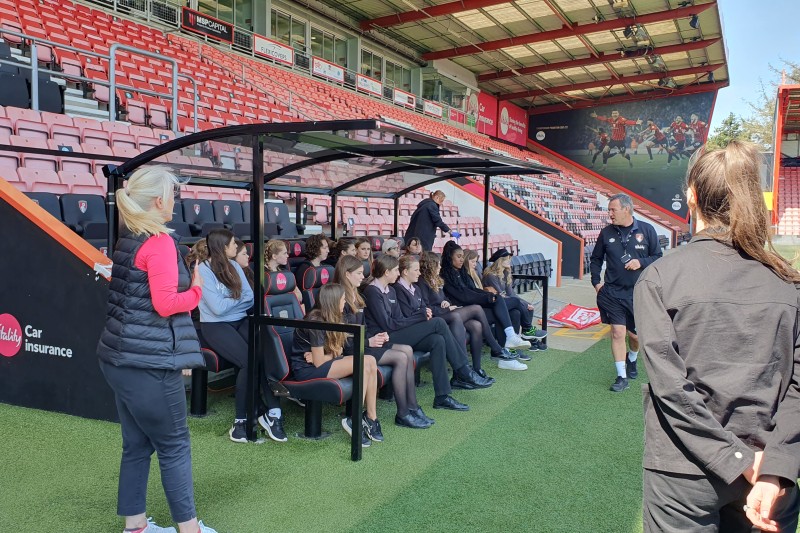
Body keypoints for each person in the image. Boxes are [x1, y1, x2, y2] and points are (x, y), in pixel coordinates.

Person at [634, 141, 800, 532]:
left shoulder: (659, 278)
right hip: (766, 473)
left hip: (684, 474)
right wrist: (772, 467)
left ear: (691, 196)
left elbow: (671, 390)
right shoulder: (788, 283)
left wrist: (743, 462)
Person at [96, 166, 217, 533]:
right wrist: (196, 290)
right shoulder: (159, 242)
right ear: (161, 201)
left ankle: (135, 526)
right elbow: (166, 304)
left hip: (119, 358)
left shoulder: (129, 238)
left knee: (136, 445)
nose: (176, 202)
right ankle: (189, 529)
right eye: (174, 195)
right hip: (147, 362)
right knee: (174, 445)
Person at [364, 255, 489, 411]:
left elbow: (400, 319)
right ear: (387, 272)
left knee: (437, 340)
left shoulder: (390, 290)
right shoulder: (373, 291)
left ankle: (442, 396)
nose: (397, 273)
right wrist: (420, 316)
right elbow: (388, 324)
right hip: (385, 338)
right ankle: (462, 370)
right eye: (396, 270)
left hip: (397, 332)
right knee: (438, 323)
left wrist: (420, 315)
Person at [198, 229, 286, 444]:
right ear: (222, 247)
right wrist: (235, 298)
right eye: (232, 244)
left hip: (239, 320)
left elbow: (250, 298)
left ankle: (272, 413)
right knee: (248, 361)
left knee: (265, 353)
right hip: (215, 325)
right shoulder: (203, 269)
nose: (236, 247)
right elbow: (217, 309)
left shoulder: (235, 266)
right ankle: (240, 422)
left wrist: (231, 299)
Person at [334, 255, 432, 429]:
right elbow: (342, 336)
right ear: (347, 275)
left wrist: (376, 337)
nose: (363, 277)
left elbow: (363, 326)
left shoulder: (355, 294)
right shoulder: (339, 296)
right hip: (353, 349)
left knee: (407, 350)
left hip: (364, 342)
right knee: (401, 357)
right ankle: (402, 413)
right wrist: (369, 340)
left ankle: (412, 407)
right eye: (358, 273)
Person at [291, 283, 382, 447]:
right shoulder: (315, 320)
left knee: (370, 361)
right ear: (333, 301)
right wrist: (331, 354)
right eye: (342, 300)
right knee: (365, 361)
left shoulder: (335, 316)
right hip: (307, 370)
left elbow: (339, 351)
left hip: (322, 363)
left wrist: (330, 354)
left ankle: (371, 417)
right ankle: (354, 420)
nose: (344, 303)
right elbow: (319, 362)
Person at [590, 193, 662, 392]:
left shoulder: (647, 230)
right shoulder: (606, 233)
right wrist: (596, 282)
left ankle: (632, 358)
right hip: (612, 292)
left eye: (613, 210)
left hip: (638, 293)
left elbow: (658, 256)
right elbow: (596, 259)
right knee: (617, 331)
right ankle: (621, 376)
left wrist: (641, 262)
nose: (609, 214)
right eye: (609, 210)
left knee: (635, 336)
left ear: (626, 209)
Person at [418, 251, 526, 371]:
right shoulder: (423, 282)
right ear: (430, 266)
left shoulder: (438, 279)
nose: (440, 267)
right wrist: (448, 307)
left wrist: (447, 302)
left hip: (450, 311)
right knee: (480, 308)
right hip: (441, 316)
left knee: (477, 325)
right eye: (437, 265)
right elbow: (426, 307)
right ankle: (497, 349)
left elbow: (445, 298)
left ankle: (476, 369)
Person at [440, 241, 532, 356]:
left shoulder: (461, 272)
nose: (461, 260)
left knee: (514, 312)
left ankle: (508, 347)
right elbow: (464, 296)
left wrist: (488, 296)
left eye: (463, 257)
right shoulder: (446, 275)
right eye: (458, 256)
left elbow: (472, 290)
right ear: (450, 257)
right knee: (512, 302)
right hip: (466, 310)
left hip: (475, 306)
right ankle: (523, 332)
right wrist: (487, 297)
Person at [482, 248, 548, 344]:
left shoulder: (505, 273)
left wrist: (526, 303)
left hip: (503, 301)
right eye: (507, 258)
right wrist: (522, 304)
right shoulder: (491, 275)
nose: (509, 260)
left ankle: (524, 339)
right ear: (500, 261)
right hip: (494, 303)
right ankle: (527, 330)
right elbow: (501, 295)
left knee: (525, 308)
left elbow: (511, 293)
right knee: (518, 303)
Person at [265, 239, 304, 313]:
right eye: (284, 253)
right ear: (274, 256)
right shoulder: (264, 274)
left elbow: (300, 297)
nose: (287, 256)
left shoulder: (285, 273)